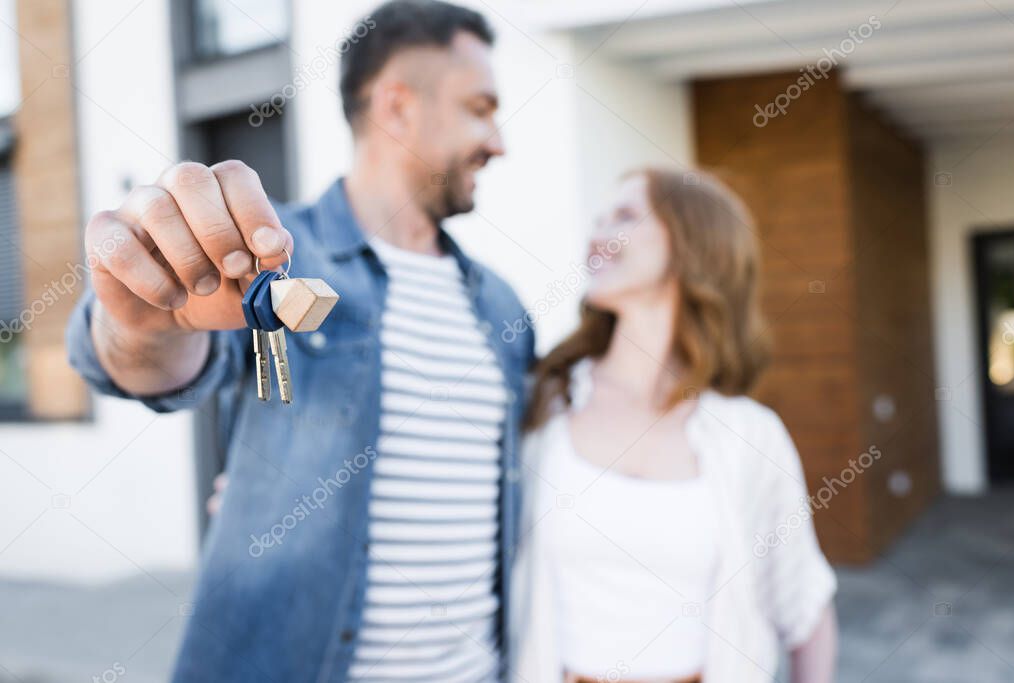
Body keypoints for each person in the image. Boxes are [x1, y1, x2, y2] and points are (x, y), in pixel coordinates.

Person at [65, 2, 533, 681]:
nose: (497, 140)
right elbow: (152, 362)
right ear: (397, 107)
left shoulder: (501, 305)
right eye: (479, 107)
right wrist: (141, 323)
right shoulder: (272, 256)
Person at [510, 168, 838, 683]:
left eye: (624, 217)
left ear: (692, 243)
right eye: (599, 219)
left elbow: (805, 609)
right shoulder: (543, 406)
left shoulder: (750, 437)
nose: (597, 235)